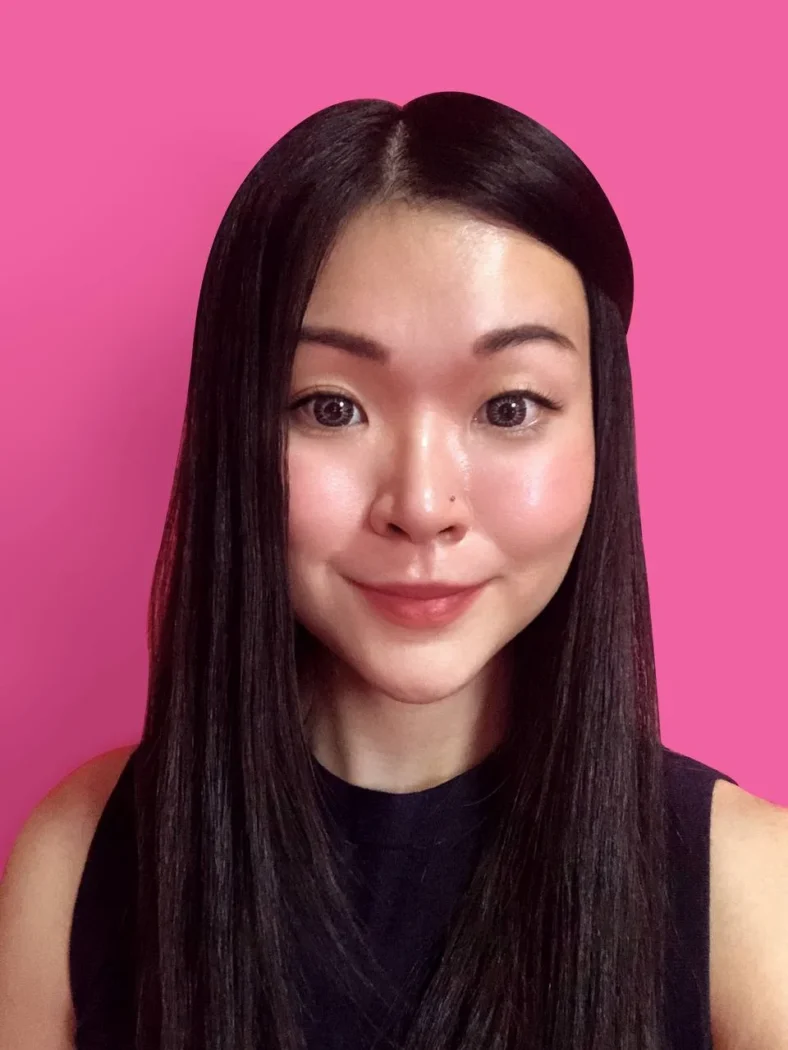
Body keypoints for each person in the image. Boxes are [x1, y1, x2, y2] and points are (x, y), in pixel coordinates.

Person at [1, 91, 786, 1050]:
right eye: (330, 408)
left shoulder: (751, 897)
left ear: (601, 434)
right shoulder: (80, 859)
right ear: (236, 432)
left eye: (509, 408)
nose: (420, 505)